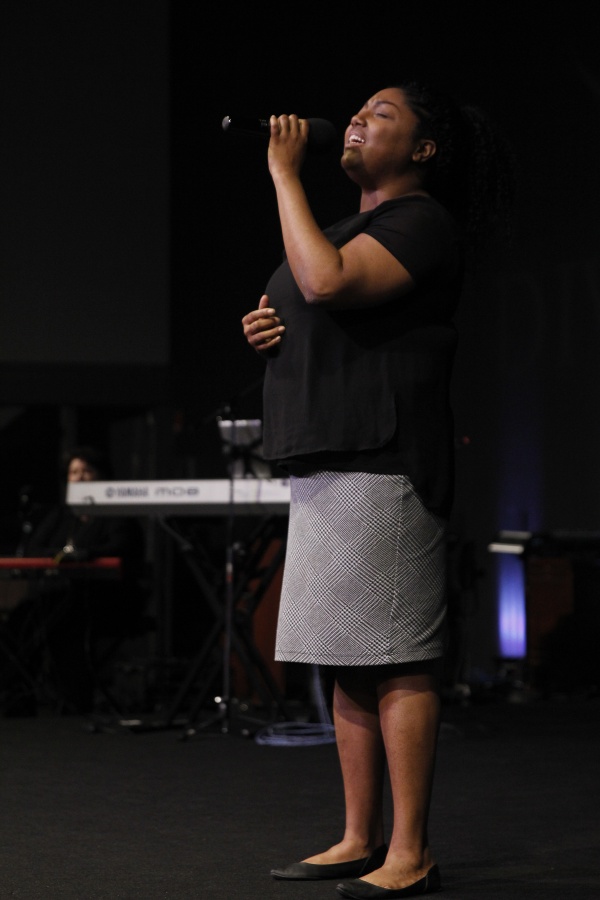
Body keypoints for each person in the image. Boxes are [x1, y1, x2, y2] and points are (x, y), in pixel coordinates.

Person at [241, 81, 514, 898]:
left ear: (423, 150)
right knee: (348, 658)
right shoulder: (345, 227)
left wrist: (283, 173)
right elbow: (312, 295)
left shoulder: (420, 221)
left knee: (396, 661)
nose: (356, 119)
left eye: (380, 114)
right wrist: (268, 330)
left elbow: (327, 284)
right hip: (329, 456)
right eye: (358, 110)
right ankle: (360, 836)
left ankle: (411, 851)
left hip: (384, 457)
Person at [1, 445, 146, 715]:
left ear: (102, 476)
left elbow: (122, 547)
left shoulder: (117, 514)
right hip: (59, 596)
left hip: (105, 599)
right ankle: (18, 692)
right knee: (20, 620)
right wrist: (60, 556)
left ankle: (74, 698)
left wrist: (85, 555)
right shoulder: (61, 515)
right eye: (73, 472)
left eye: (86, 471)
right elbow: (34, 549)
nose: (79, 478)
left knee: (64, 621)